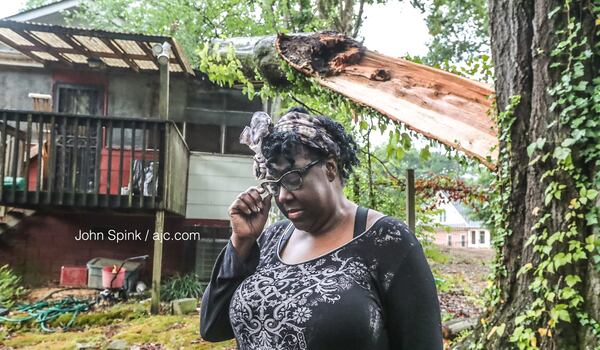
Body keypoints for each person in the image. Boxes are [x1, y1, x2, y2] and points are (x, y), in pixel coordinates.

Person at [200, 107, 442, 350]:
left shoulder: (387, 240)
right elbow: (212, 327)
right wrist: (241, 242)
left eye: (293, 177)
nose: (283, 196)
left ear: (329, 168)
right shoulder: (271, 239)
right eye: (274, 183)